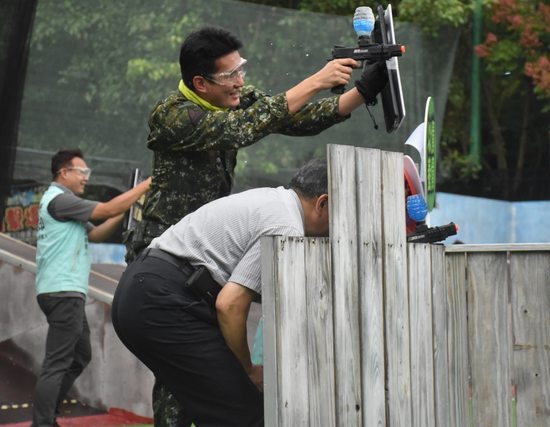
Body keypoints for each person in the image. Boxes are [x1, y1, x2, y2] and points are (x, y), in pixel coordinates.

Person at [122, 25, 387, 424]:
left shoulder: (232, 99)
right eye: (230, 75)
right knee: (185, 392)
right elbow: (245, 127)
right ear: (201, 83)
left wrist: (363, 91)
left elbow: (294, 117)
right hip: (170, 265)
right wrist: (318, 79)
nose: (240, 82)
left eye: (241, 69)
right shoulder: (173, 116)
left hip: (205, 270)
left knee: (207, 392)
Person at [112, 158, 330, 426]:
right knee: (245, 416)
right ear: (322, 203)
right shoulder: (285, 225)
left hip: (144, 290)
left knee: (214, 410)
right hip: (164, 300)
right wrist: (247, 369)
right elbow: (230, 305)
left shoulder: (271, 199)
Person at [32, 149, 151, 427]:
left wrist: (126, 209)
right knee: (58, 362)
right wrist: (145, 186)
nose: (86, 177)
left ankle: (47, 415)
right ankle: (43, 422)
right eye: (82, 172)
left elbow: (96, 232)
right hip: (62, 291)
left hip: (64, 290)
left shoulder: (64, 204)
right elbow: (107, 209)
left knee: (80, 355)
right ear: (64, 172)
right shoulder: (60, 200)